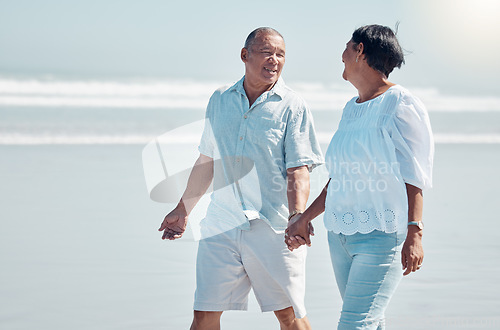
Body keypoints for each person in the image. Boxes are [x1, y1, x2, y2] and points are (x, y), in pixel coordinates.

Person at [158, 27, 323, 330]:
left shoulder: (293, 105)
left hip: (273, 227)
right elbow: (207, 161)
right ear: (245, 55)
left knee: (290, 317)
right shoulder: (220, 99)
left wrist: (297, 215)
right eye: (267, 52)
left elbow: (298, 168)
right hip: (222, 223)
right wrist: (182, 211)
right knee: (204, 314)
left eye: (281, 54)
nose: (275, 60)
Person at [285, 24, 434, 329]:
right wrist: (305, 217)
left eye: (347, 48)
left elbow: (415, 174)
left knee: (354, 323)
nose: (342, 56)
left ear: (360, 51)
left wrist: (414, 233)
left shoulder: (401, 104)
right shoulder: (350, 109)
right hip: (339, 236)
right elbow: (340, 178)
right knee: (370, 321)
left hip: (381, 236)